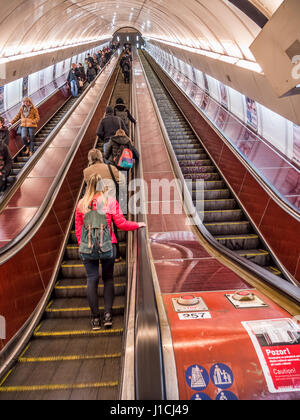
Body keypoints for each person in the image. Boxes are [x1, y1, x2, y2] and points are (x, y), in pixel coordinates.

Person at [75, 173, 146, 330]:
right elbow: (121, 223)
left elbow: (78, 229)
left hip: (87, 248)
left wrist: (83, 246)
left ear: (88, 186)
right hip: (108, 246)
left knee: (91, 279)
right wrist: (138, 224)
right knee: (108, 279)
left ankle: (95, 319)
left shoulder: (81, 204)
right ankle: (108, 315)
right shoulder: (109, 202)